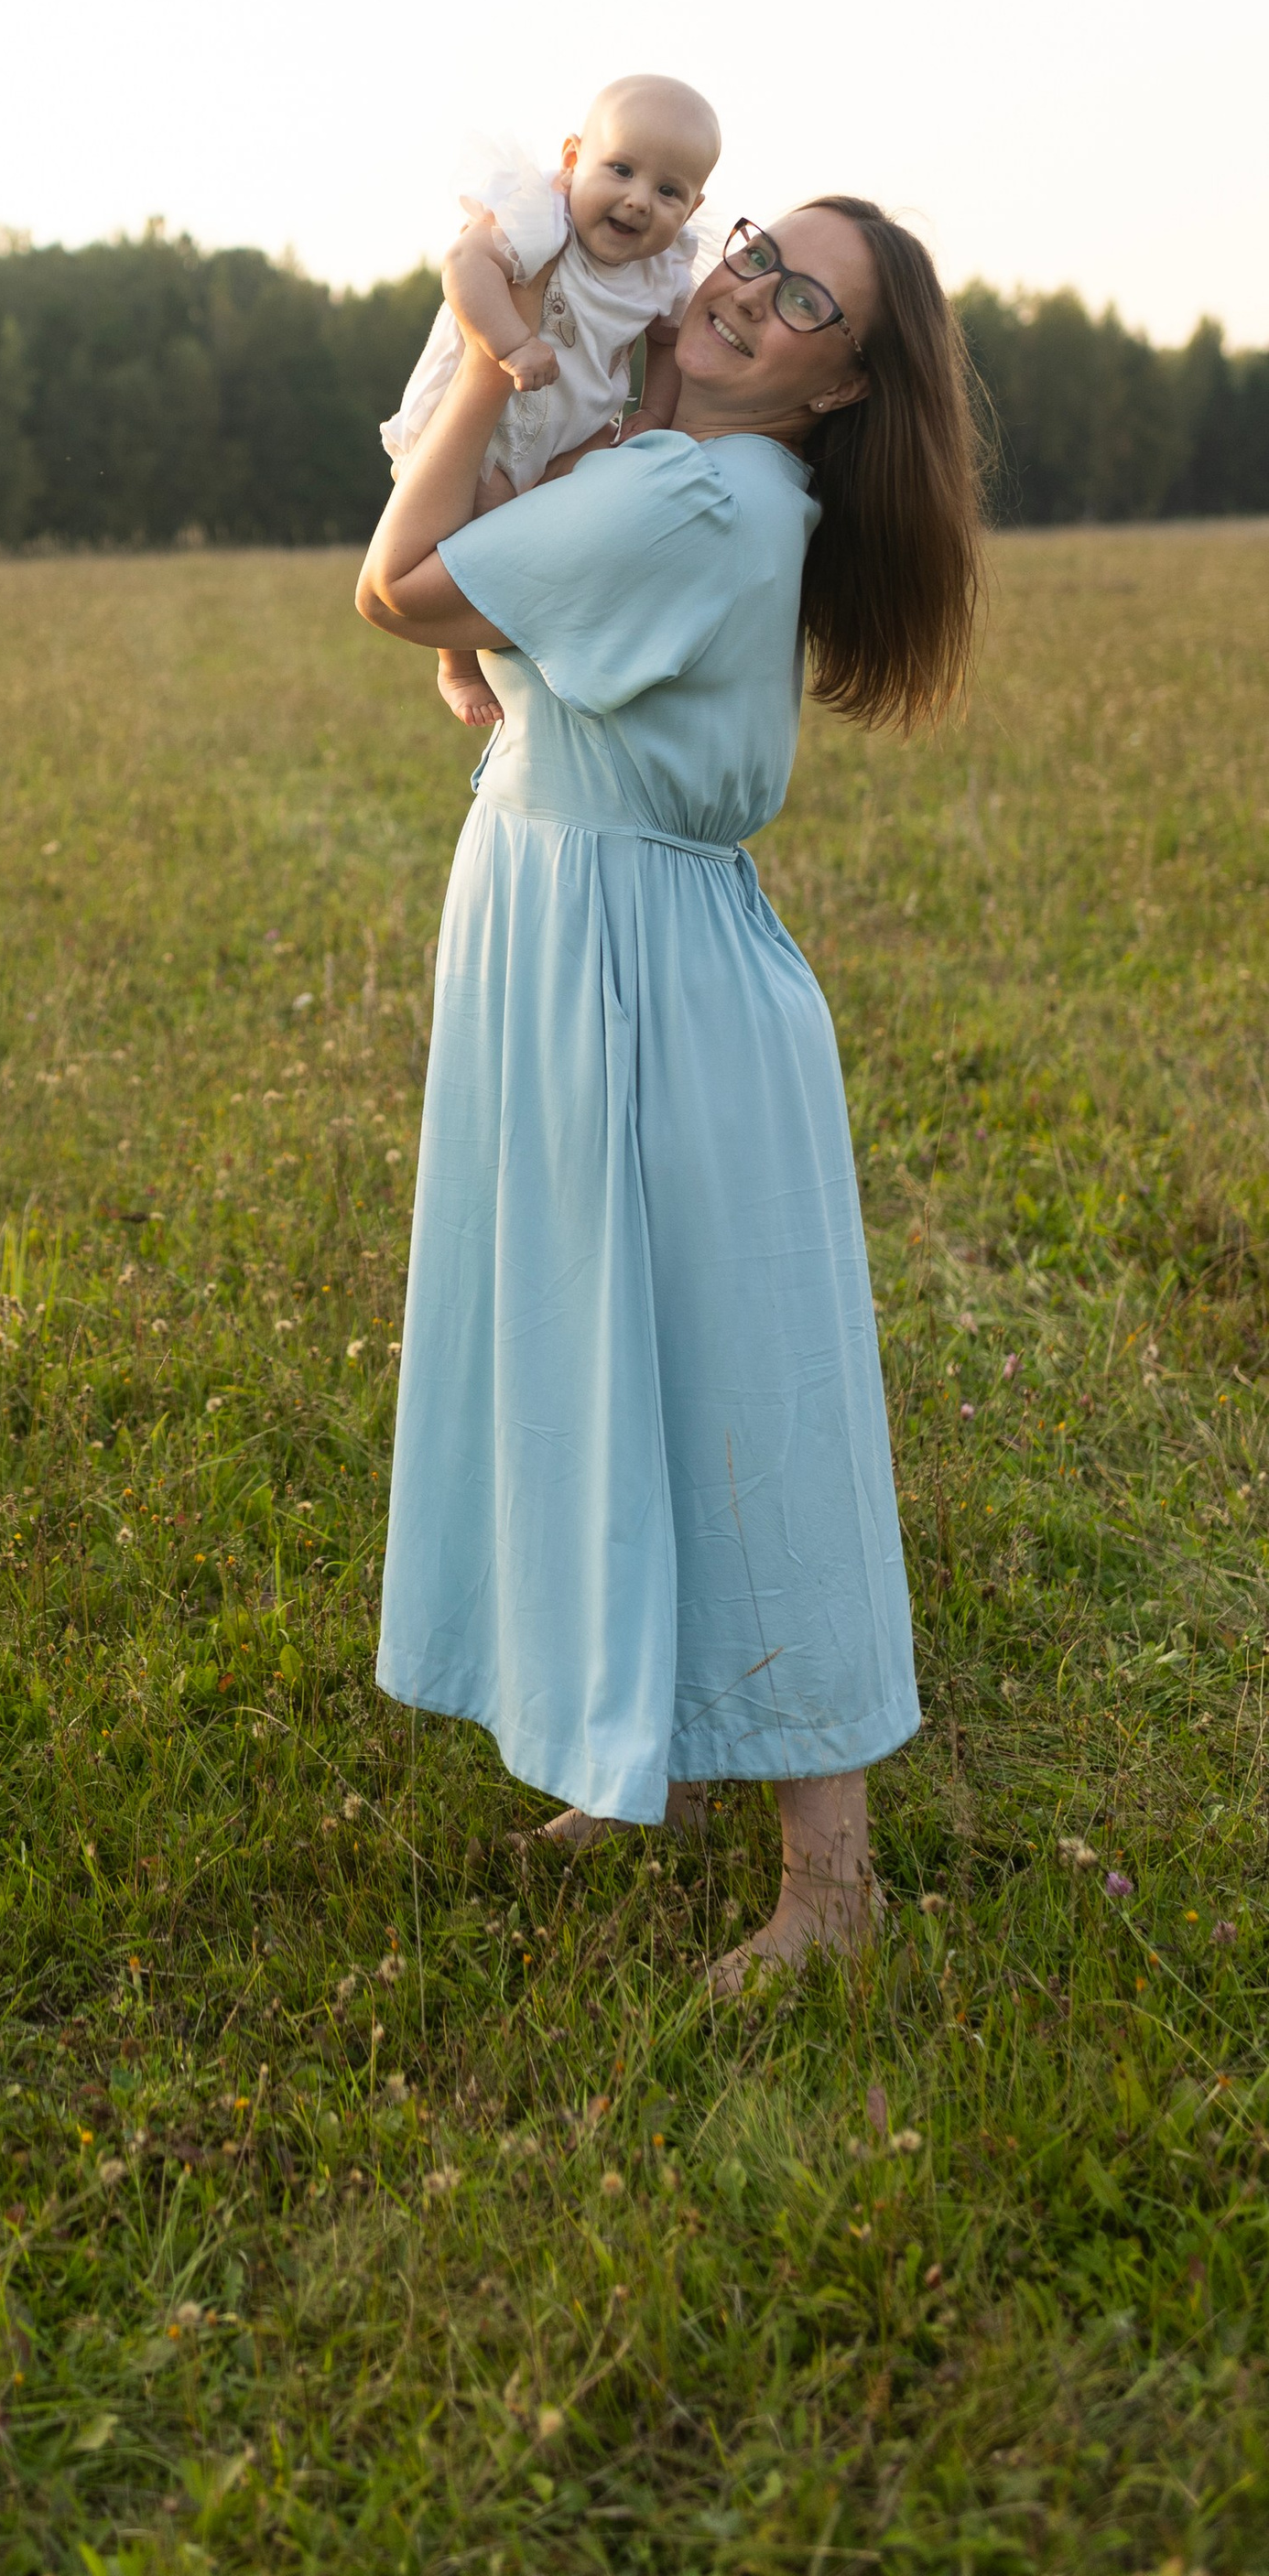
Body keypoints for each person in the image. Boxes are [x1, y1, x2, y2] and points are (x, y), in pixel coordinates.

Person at [355, 202, 983, 1989]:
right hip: (593, 942)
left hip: (639, 969)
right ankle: (648, 1743)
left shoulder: (687, 498)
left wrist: (484, 358)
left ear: (840, 380)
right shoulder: (694, 477)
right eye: (755, 247)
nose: (744, 288)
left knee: (732, 1396)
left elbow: (392, 591)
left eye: (803, 301)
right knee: (598, 1354)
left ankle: (831, 1884)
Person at [380, 77, 722, 731]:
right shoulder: (544, 220)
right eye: (620, 169)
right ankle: (456, 660)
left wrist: (651, 414)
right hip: (494, 421)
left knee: (564, 522)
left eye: (668, 190)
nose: (637, 200)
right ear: (572, 159)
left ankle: (548, 638)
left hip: (576, 427)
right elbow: (464, 263)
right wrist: (510, 345)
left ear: (694, 203)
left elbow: (671, 339)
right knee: (475, 527)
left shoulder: (665, 270)